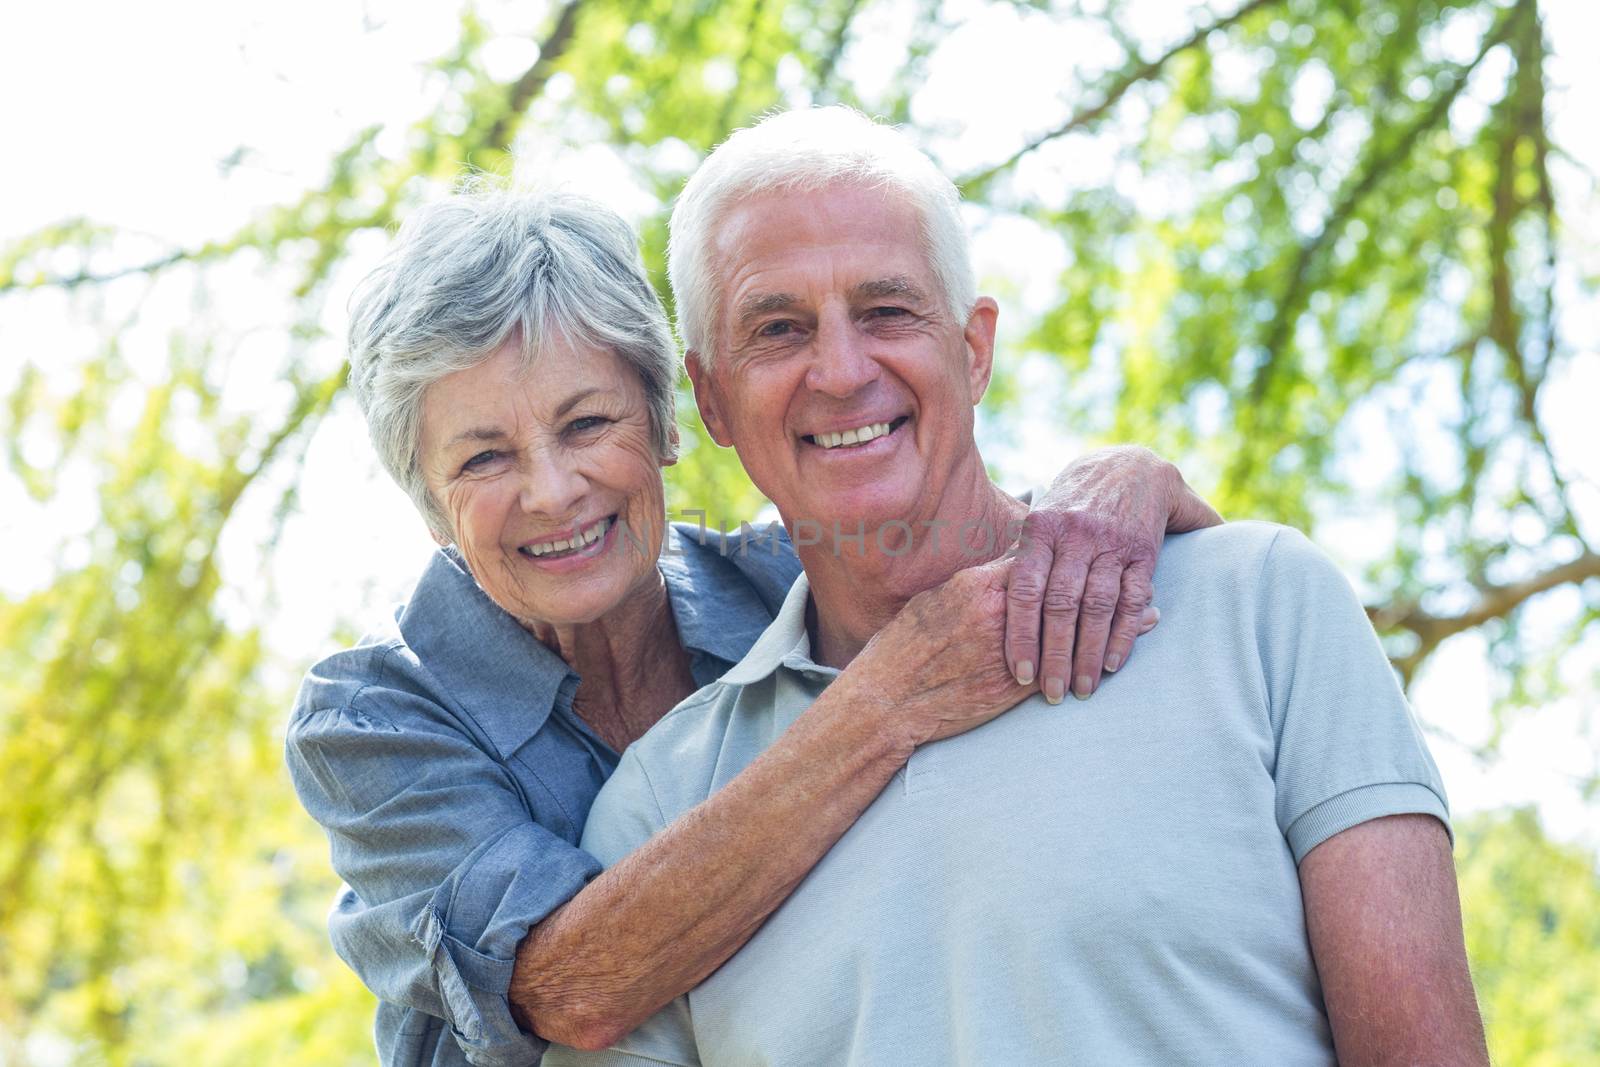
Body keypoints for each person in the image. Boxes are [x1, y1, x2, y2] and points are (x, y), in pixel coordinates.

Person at [545, 107, 1489, 1066]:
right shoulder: (659, 808)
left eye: (887, 311)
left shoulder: (1259, 609)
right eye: (778, 328)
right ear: (710, 401)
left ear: (975, 348)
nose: (839, 370)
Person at [284, 185, 1222, 1065]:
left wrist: (1125, 481)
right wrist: (888, 698)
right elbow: (569, 989)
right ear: (430, 502)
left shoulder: (780, 579)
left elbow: (1012, 553)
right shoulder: (371, 717)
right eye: (485, 457)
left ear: (668, 424)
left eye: (586, 424)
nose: (552, 490)